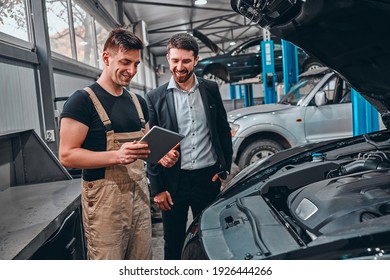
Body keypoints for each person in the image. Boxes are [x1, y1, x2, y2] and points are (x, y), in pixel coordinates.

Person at [58, 28, 179, 260]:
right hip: (105, 204)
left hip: (139, 198)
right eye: (125, 62)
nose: (131, 71)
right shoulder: (82, 101)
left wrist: (160, 155)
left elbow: (145, 146)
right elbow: (67, 155)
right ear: (106, 58)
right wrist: (116, 156)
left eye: (136, 64)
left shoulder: (137, 102)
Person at [146, 33, 233, 260]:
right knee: (173, 242)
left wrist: (223, 169)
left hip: (208, 178)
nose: (180, 66)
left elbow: (222, 130)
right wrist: (157, 188)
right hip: (174, 182)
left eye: (186, 61)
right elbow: (151, 147)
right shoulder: (155, 98)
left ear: (196, 60)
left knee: (210, 237)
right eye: (175, 60)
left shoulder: (211, 89)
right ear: (168, 58)